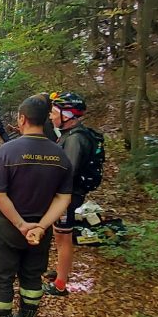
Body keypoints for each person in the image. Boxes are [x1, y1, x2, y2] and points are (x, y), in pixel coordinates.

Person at [0, 95, 74, 317]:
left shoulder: (8, 151)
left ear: (22, 119)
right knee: (32, 279)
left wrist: (21, 225)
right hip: (39, 234)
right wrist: (42, 226)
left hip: (9, 228)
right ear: (45, 120)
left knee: (1, 277)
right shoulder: (60, 154)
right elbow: (63, 197)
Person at [46, 92, 94, 297]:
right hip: (64, 193)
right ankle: (60, 271)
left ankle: (60, 284)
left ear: (67, 115)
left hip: (67, 195)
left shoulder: (75, 139)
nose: (50, 115)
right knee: (59, 235)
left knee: (63, 237)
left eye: (54, 112)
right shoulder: (69, 134)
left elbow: (68, 170)